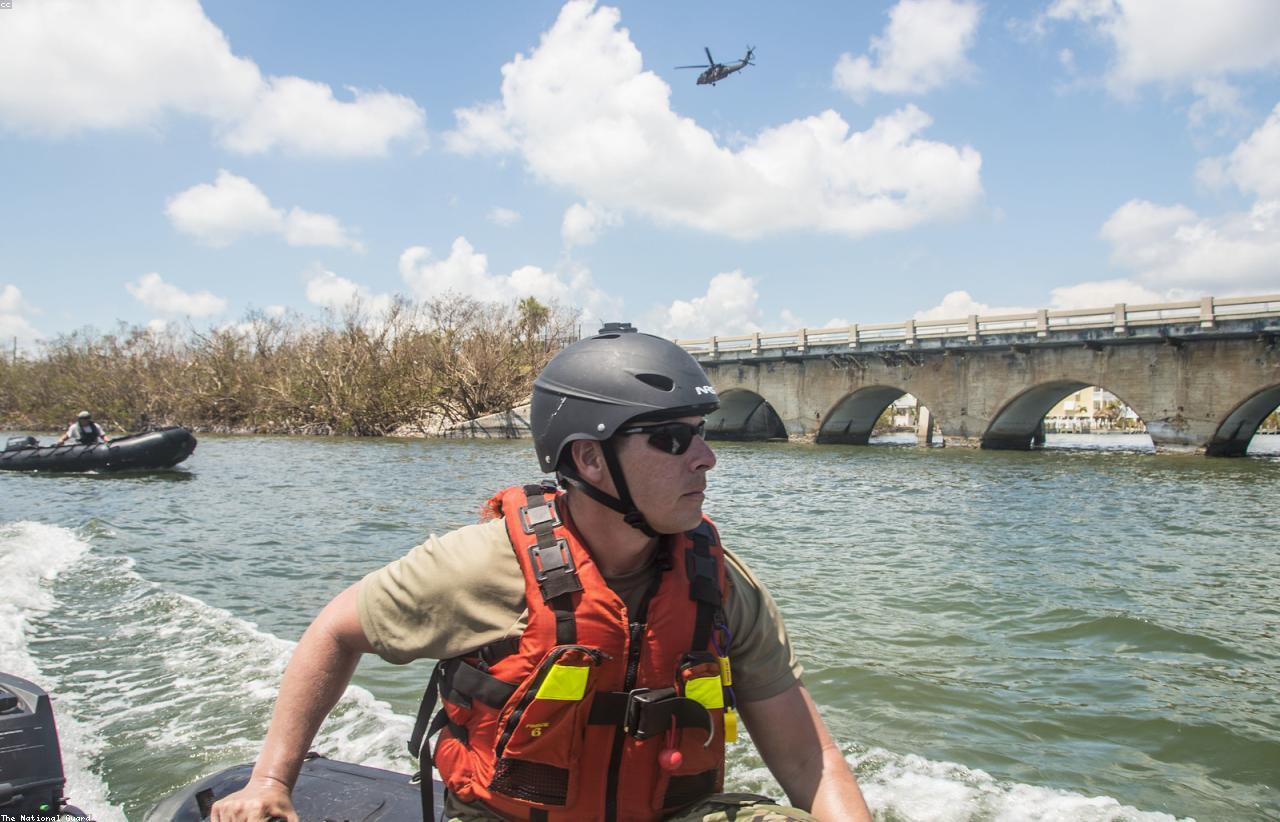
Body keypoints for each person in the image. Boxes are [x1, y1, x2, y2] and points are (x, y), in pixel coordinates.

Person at [212, 324, 871, 822]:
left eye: (702, 432)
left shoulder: (718, 584)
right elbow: (336, 630)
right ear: (589, 460)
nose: (705, 459)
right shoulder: (482, 565)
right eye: (672, 438)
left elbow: (811, 761)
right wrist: (272, 780)